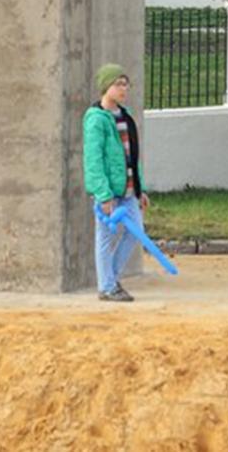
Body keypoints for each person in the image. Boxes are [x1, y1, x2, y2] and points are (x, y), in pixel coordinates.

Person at [81, 63, 147, 301]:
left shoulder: (125, 116)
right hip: (109, 192)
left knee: (136, 232)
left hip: (129, 190)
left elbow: (132, 156)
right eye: (118, 84)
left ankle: (111, 278)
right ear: (105, 87)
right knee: (105, 238)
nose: (123, 89)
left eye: (125, 84)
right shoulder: (96, 120)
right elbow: (93, 160)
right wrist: (103, 194)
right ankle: (107, 287)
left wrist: (141, 189)